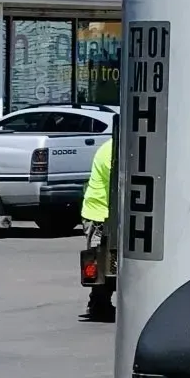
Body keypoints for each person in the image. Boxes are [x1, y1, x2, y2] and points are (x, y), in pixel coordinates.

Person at [80, 135, 116, 323]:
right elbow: (119, 183)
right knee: (99, 262)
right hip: (99, 214)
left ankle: (98, 303)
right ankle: (98, 304)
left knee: (107, 262)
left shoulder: (114, 148)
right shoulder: (111, 151)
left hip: (107, 213)